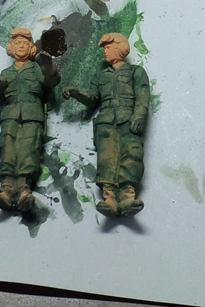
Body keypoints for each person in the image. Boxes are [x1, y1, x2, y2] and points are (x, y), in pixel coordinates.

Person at [62, 32, 150, 217]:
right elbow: (92, 98)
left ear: (121, 48)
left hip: (129, 119)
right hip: (106, 122)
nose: (105, 52)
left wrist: (139, 116)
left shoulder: (136, 72)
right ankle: (109, 198)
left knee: (132, 155)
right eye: (105, 48)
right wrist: (77, 93)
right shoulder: (100, 76)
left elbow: (142, 96)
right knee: (106, 159)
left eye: (108, 48)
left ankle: (127, 196)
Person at [0, 28, 59, 212]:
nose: (21, 46)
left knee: (29, 148)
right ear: (11, 48)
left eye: (25, 43)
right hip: (10, 115)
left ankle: (24, 189)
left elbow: (51, 81)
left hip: (32, 114)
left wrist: (48, 69)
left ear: (31, 48)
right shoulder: (6, 73)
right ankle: (6, 188)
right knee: (8, 147)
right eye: (17, 43)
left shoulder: (36, 69)